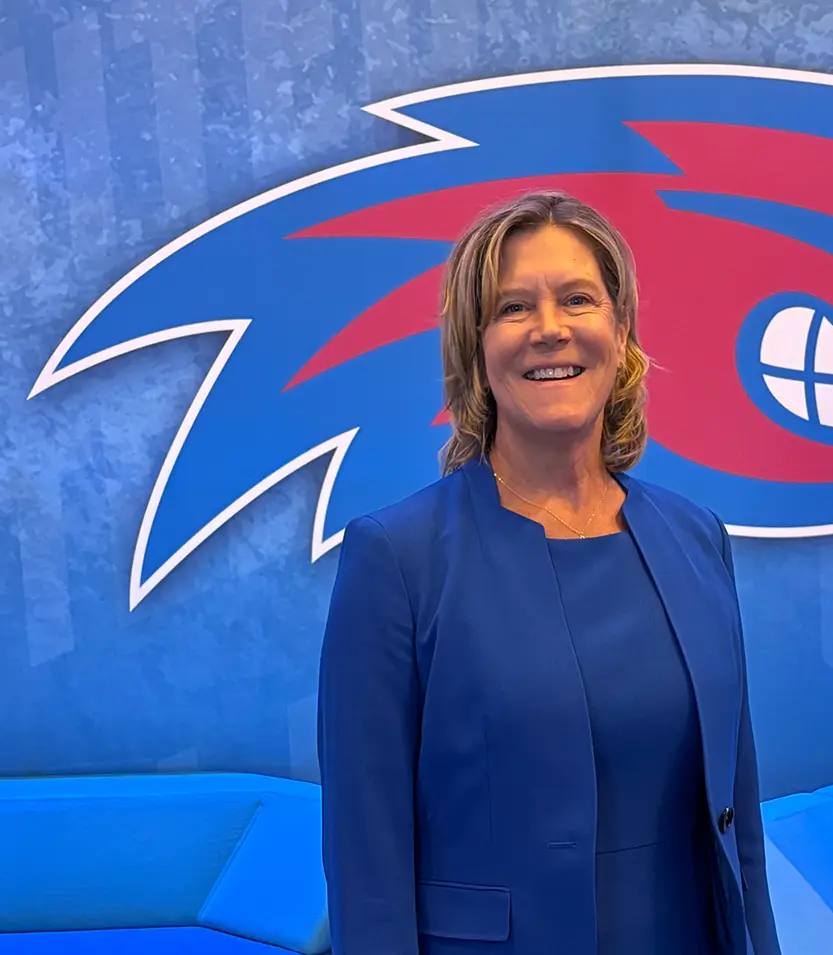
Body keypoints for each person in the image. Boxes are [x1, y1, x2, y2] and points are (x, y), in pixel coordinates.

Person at [317, 190, 781, 955]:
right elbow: (366, 863)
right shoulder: (396, 558)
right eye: (512, 308)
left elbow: (740, 818)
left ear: (620, 329)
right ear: (475, 348)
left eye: (578, 299)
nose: (550, 330)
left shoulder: (695, 538)